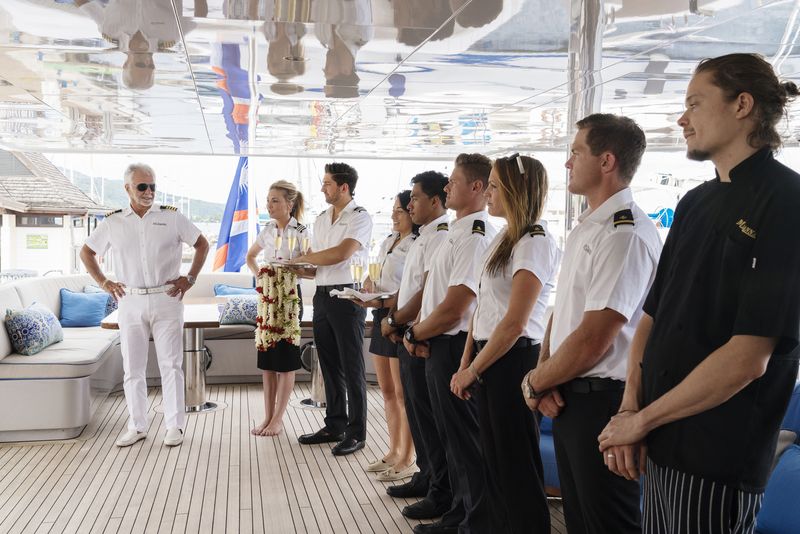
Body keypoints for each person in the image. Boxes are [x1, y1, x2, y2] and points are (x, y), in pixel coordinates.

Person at [598, 53, 800, 534]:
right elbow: (652, 318)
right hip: (661, 441)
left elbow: (749, 357)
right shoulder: (694, 202)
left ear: (742, 105)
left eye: (694, 103)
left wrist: (642, 420)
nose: (681, 118)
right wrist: (631, 409)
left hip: (719, 458)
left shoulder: (787, 202)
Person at [524, 114, 662, 534]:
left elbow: (595, 337)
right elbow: (562, 316)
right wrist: (545, 376)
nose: (567, 163)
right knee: (580, 520)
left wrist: (534, 382)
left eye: (575, 152)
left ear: (606, 161)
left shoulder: (625, 233)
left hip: (604, 401)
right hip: (571, 394)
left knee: (607, 522)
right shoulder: (590, 227)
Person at [450, 154, 560, 533]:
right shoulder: (505, 238)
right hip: (488, 355)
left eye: (495, 185)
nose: (489, 192)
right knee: (493, 463)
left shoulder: (534, 241)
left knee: (516, 467)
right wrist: (468, 363)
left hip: (512, 359)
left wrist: (474, 370)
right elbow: (484, 310)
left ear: (515, 190)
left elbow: (514, 323)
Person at [80, 163, 209, 448]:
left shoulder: (172, 218)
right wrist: (104, 282)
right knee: (133, 368)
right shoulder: (113, 222)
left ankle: (174, 426)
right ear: (127, 188)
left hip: (167, 298)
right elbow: (87, 252)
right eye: (142, 187)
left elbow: (202, 244)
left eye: (152, 186)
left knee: (171, 365)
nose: (149, 192)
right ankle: (137, 425)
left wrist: (190, 278)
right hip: (130, 300)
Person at [403, 153, 496, 534]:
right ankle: (457, 512)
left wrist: (414, 333)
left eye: (453, 182)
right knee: (447, 436)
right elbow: (434, 294)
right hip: (435, 344)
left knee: (463, 441)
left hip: (452, 346)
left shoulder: (475, 236)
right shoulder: (456, 232)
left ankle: (471, 520)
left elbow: (457, 306)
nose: (447, 187)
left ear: (476, 187)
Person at [380, 172, 453, 521]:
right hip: (408, 332)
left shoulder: (441, 237)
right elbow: (410, 289)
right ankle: (427, 476)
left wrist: (398, 323)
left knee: (430, 418)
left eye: (416, 198)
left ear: (436, 201)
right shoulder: (424, 237)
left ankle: (441, 491)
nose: (409, 205)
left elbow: (429, 293)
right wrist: (392, 313)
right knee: (419, 414)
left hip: (421, 337)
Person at [290, 162, 373, 456]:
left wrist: (300, 259)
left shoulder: (359, 217)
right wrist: (298, 269)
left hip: (347, 298)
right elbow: (320, 265)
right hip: (322, 297)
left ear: (343, 187)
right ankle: (334, 424)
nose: (323, 188)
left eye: (327, 183)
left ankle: (357, 432)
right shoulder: (322, 219)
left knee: (352, 367)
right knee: (328, 364)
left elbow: (341, 254)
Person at [357, 191, 418, 481]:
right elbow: (378, 278)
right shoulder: (389, 241)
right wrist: (369, 285)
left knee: (404, 393)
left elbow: (411, 290)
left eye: (399, 211)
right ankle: (393, 450)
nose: (394, 216)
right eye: (393, 210)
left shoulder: (416, 244)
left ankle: (408, 457)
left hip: (400, 318)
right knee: (387, 391)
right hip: (380, 314)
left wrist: (382, 302)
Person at [245, 180, 308, 437]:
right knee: (268, 363)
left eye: (275, 200)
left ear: (289, 204)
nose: (269, 205)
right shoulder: (267, 230)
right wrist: (261, 276)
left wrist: (292, 269)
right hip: (268, 298)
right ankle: (268, 416)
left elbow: (310, 265)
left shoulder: (302, 231)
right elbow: (250, 257)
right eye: (268, 200)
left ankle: (278, 419)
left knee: (285, 362)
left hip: (290, 297)